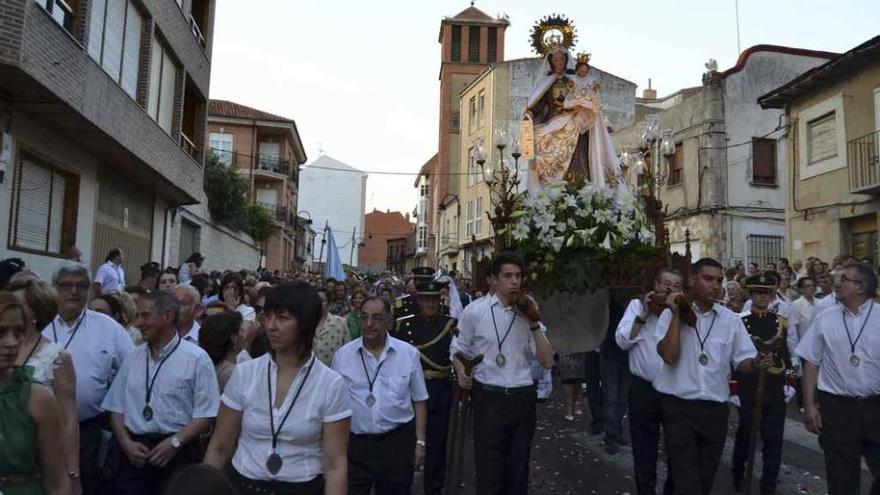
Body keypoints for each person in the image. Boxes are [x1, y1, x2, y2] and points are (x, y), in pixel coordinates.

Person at [205, 282, 351, 494]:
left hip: (302, 487)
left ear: (306, 324)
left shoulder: (330, 384)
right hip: (245, 485)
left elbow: (335, 465)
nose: (271, 326)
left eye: (283, 318)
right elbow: (220, 446)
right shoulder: (246, 373)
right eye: (268, 316)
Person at [656, 257, 770, 495]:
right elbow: (669, 355)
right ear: (692, 280)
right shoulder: (671, 314)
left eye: (719, 280)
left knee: (705, 479)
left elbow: (743, 361)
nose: (716, 286)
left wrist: (757, 362)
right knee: (687, 481)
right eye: (708, 279)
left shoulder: (730, 320)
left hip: (715, 411)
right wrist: (678, 313)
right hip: (679, 409)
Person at [452, 252, 555, 495]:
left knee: (518, 469)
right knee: (488, 470)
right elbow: (458, 349)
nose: (514, 282)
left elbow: (547, 361)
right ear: (493, 280)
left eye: (518, 276)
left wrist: (533, 322)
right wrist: (460, 370)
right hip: (488, 398)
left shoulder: (528, 313)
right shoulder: (475, 312)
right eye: (508, 276)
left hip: (522, 398)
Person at [101, 291, 219, 494]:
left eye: (145, 315)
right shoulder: (133, 357)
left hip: (177, 456)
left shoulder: (197, 359)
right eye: (138, 315)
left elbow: (206, 414)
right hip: (133, 457)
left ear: (168, 316)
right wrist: (126, 443)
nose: (138, 322)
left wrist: (175, 442)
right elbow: (116, 408)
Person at [45, 263, 134, 495]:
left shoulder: (109, 328)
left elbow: (133, 370)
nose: (74, 291)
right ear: (54, 288)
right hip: (41, 430)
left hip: (88, 433)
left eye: (81, 285)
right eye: (66, 285)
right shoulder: (40, 324)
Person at [796, 261, 880, 494]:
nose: (836, 283)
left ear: (861, 287)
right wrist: (809, 404)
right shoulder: (825, 317)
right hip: (838, 408)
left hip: (876, 406)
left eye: (844, 279)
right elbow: (811, 361)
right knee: (841, 480)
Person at [332, 296, 429, 495]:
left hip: (397, 444)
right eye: (364, 317)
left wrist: (420, 442)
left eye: (376, 318)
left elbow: (419, 400)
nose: (369, 324)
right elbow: (333, 405)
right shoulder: (343, 356)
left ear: (389, 321)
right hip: (356, 446)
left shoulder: (408, 354)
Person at [8, 280, 80, 494]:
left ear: (37, 310)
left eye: (19, 304)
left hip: (39, 459)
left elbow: (69, 419)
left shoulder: (56, 357)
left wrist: (72, 470)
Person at [615, 268, 681, 495]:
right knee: (644, 446)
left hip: (673, 388)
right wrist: (644, 314)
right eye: (664, 283)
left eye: (675, 285)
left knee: (677, 445)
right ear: (655, 284)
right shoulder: (637, 306)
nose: (668, 288)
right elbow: (622, 342)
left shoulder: (680, 310)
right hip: (643, 387)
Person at [392, 281, 457, 495]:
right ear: (418, 300)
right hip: (411, 392)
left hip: (439, 391)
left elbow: (456, 356)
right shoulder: (403, 325)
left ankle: (433, 489)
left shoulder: (450, 325)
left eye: (434, 299)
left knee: (437, 447)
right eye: (426, 299)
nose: (430, 303)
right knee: (408, 444)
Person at [731, 274, 792, 494]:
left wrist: (790, 383)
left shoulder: (780, 321)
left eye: (766, 293)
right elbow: (732, 358)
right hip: (749, 388)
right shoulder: (740, 321)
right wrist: (734, 389)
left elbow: (787, 354)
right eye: (758, 293)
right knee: (746, 436)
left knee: (773, 440)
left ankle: (768, 484)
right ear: (752, 294)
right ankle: (738, 474)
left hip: (774, 388)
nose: (762, 297)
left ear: (772, 295)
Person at [600, 294, 632, 454]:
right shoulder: (611, 304)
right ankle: (611, 434)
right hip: (611, 352)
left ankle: (615, 431)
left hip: (626, 353)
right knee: (611, 396)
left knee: (621, 396)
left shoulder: (634, 305)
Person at [199, 312, 243, 392]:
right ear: (234, 338)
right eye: (241, 331)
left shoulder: (208, 368)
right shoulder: (232, 373)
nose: (243, 335)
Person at [314, 288, 351, 366]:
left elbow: (348, 348)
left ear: (329, 303)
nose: (318, 303)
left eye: (322, 301)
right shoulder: (304, 323)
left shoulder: (340, 322)